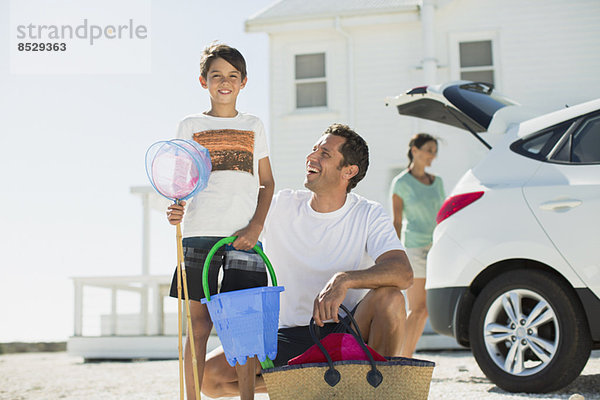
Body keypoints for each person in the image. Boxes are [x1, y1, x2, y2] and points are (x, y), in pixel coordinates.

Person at [188, 123, 414, 398]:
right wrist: (183, 203)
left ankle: (375, 392)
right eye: (314, 149)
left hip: (347, 333)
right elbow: (226, 214)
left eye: (325, 154)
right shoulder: (281, 205)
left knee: (391, 298)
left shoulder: (368, 214)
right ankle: (312, 381)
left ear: (349, 171)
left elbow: (403, 273)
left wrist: (345, 279)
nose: (312, 157)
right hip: (289, 335)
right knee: (210, 378)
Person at [166, 42, 275, 400]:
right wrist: (175, 207)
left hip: (244, 238)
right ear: (203, 81)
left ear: (244, 81)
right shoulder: (191, 125)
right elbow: (180, 183)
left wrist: (256, 227)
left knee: (243, 329)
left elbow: (267, 182)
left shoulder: (254, 125)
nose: (224, 82)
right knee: (198, 327)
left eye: (232, 76)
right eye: (216, 76)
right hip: (197, 234)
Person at [390, 133, 445, 358]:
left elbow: (442, 215)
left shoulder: (437, 182)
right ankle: (403, 358)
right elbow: (397, 220)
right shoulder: (401, 183)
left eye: (435, 151)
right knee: (418, 309)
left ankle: (403, 356)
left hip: (438, 249)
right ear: (415, 149)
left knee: (427, 311)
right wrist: (392, 255)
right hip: (414, 249)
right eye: (429, 149)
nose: (433, 155)